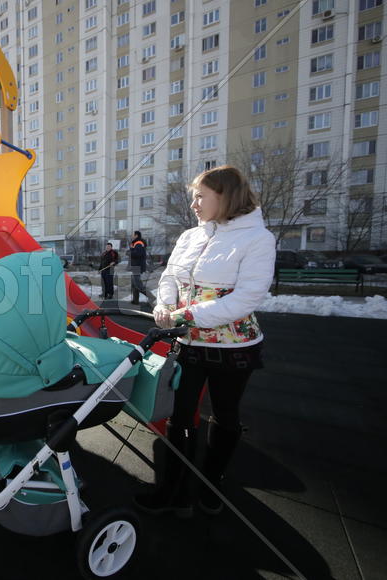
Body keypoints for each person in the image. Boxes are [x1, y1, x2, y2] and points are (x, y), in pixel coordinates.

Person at [135, 165, 275, 517]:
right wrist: (164, 304)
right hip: (189, 342)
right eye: (194, 196)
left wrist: (188, 314)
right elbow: (169, 276)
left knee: (225, 414)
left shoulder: (257, 239)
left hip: (233, 348)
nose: (194, 203)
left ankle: (212, 483)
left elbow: (247, 298)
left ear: (225, 196)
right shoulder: (190, 236)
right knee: (180, 414)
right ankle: (172, 486)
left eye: (201, 196)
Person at [129, 231, 155, 306]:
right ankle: (135, 300)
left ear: (136, 235)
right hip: (136, 266)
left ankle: (152, 297)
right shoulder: (137, 243)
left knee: (138, 284)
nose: (132, 236)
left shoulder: (139, 243)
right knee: (134, 284)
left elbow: (138, 254)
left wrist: (130, 250)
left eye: (133, 235)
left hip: (137, 266)